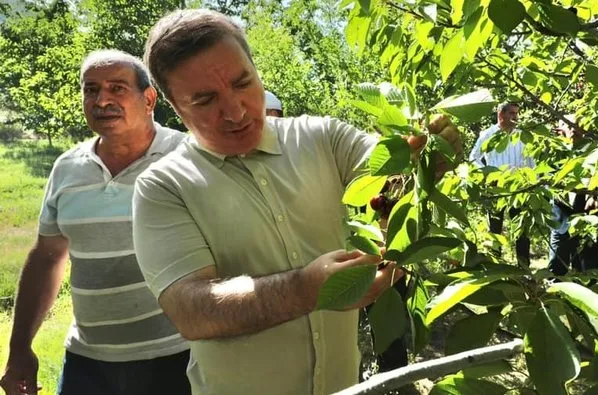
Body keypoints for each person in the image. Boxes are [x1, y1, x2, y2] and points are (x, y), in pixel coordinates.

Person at [133, 9, 462, 395]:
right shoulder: (163, 186)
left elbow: (392, 174)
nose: (236, 111)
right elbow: (191, 310)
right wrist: (306, 290)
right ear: (173, 106)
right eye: (205, 100)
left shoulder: (322, 138)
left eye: (243, 83)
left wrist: (426, 155)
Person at [0, 50, 189, 395]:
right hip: (87, 363)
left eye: (117, 88)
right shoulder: (67, 168)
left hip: (177, 356)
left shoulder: (189, 157)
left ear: (148, 98)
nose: (102, 100)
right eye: (91, 90)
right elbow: (46, 258)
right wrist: (19, 348)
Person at [468, 102, 535, 267]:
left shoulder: (522, 134)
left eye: (516, 113)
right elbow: (473, 157)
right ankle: (494, 266)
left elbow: (530, 159)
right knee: (495, 227)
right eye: (512, 113)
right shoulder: (488, 134)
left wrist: (532, 181)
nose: (515, 117)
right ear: (500, 115)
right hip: (496, 186)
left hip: (520, 186)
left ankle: (523, 267)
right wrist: (487, 173)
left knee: (522, 227)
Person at [549, 117, 598, 275]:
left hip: (589, 218)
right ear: (560, 129)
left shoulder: (597, 152)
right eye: (568, 125)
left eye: (578, 124)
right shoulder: (553, 152)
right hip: (561, 218)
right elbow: (545, 180)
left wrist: (596, 195)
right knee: (556, 268)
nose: (574, 129)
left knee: (588, 269)